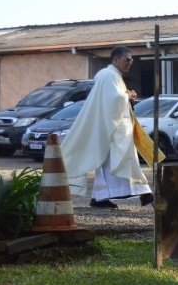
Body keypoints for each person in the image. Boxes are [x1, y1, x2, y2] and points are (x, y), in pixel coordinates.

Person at [61, 45, 157, 208]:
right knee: (123, 161)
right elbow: (113, 100)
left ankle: (100, 197)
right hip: (113, 131)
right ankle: (145, 193)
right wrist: (128, 95)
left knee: (114, 164)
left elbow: (115, 99)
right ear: (116, 59)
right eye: (127, 59)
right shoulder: (108, 75)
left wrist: (126, 96)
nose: (130, 62)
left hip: (118, 128)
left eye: (132, 59)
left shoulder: (114, 75)